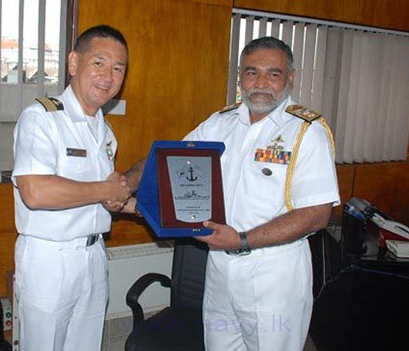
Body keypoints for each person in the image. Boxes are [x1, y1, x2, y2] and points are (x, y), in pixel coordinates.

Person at [125, 37, 339, 351]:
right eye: (252, 73)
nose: (262, 83)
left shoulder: (307, 131)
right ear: (240, 77)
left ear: (290, 78)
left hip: (273, 276)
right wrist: (125, 183)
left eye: (273, 74)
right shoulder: (220, 122)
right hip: (220, 271)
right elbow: (167, 161)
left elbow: (318, 214)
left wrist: (241, 240)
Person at [12, 25, 135, 351]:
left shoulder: (106, 134)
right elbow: (36, 192)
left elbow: (104, 195)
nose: (108, 76)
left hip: (93, 255)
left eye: (118, 68)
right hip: (50, 259)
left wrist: (136, 205)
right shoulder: (42, 118)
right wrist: (106, 192)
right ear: (73, 63)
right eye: (99, 63)